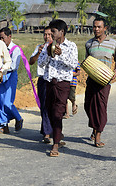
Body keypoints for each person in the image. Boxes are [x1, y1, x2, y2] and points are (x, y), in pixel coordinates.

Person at [38, 19, 78, 156]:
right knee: (49, 110)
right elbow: (40, 63)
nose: (52, 34)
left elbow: (73, 64)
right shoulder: (47, 46)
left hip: (63, 83)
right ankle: (58, 135)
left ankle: (55, 144)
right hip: (49, 82)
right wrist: (49, 54)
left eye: (54, 32)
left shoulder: (71, 46)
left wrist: (61, 55)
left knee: (58, 112)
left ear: (62, 32)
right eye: (50, 32)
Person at [84, 18, 116, 148]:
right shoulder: (89, 44)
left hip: (104, 81)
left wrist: (115, 71)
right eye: (94, 27)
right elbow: (87, 61)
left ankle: (98, 135)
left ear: (105, 28)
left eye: (99, 27)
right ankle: (94, 127)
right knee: (88, 106)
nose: (96, 29)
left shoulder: (113, 43)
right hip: (91, 80)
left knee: (101, 108)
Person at [0, 27, 24, 134]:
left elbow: (14, 66)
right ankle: (3, 126)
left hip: (10, 76)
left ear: (9, 37)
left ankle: (18, 117)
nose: (1, 40)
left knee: (7, 102)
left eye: (3, 38)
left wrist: (2, 69)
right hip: (0, 76)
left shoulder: (15, 49)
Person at [29, 26, 53, 143]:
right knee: (44, 105)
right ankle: (47, 132)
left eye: (49, 34)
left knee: (54, 106)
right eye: (45, 34)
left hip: (54, 80)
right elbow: (31, 61)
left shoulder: (57, 47)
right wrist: (38, 53)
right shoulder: (39, 47)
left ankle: (53, 129)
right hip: (43, 79)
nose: (47, 37)